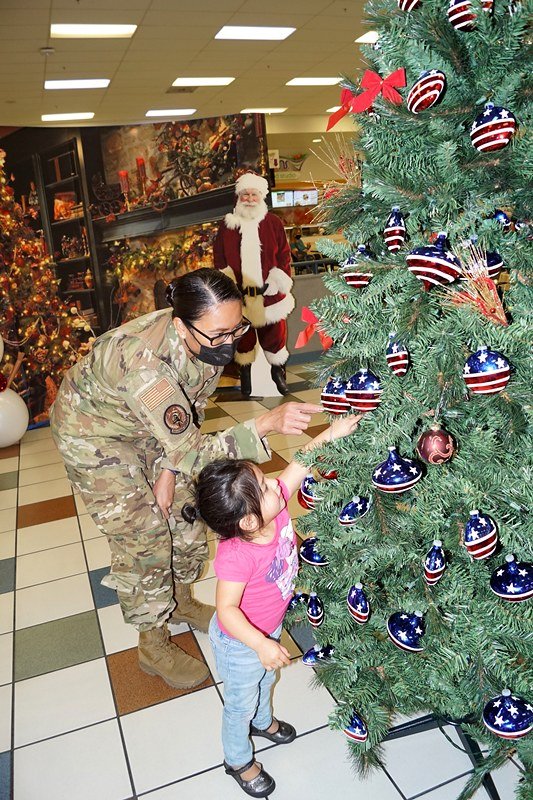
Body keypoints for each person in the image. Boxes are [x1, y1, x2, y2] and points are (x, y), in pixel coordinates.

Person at [50, 268, 321, 690]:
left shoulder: (205, 337)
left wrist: (167, 471)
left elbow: (185, 418)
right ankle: (152, 644)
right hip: (95, 433)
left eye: (237, 328)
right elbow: (192, 447)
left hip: (148, 427)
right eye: (219, 334)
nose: (229, 342)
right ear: (181, 326)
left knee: (186, 510)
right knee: (144, 534)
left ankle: (175, 600)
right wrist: (263, 425)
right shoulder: (145, 366)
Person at [182, 412, 362, 797]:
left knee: (266, 680)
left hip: (270, 626)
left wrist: (334, 431)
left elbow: (302, 461)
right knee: (240, 701)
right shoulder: (235, 557)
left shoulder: (274, 509)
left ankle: (263, 722)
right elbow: (227, 610)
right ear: (248, 522)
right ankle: (237, 759)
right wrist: (260, 644)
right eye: (264, 487)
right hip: (241, 641)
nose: (275, 486)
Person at [213, 172, 294, 397]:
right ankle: (246, 377)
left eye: (254, 194)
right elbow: (219, 257)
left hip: (269, 294)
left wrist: (276, 281)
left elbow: (284, 256)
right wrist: (228, 283)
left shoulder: (273, 223)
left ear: (262, 196)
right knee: (243, 339)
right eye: (245, 194)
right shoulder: (227, 226)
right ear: (239, 198)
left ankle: (279, 374)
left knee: (275, 338)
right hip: (239, 295)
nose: (249, 199)